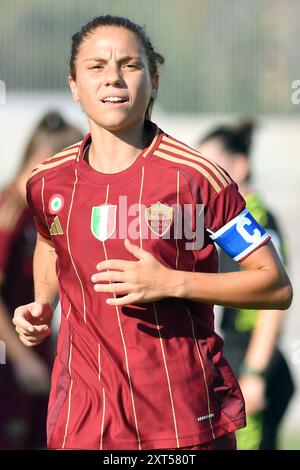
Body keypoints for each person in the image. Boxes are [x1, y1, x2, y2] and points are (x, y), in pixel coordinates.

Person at [12, 16, 292, 451]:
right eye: (97, 66)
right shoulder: (47, 181)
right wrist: (41, 305)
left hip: (183, 421)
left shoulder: (200, 179)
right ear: (74, 85)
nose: (113, 78)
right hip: (82, 420)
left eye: (129, 64)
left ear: (154, 81)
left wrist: (171, 282)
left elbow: (274, 286)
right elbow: (51, 240)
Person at [198, 121, 295, 450]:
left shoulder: (255, 218)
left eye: (210, 166)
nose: (202, 176)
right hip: (237, 354)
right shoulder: (226, 219)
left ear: (239, 165)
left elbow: (273, 301)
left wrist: (254, 373)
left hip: (254, 360)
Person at [0, 111, 83, 449]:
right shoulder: (10, 212)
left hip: (34, 356)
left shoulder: (40, 212)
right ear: (43, 161)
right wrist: (21, 360)